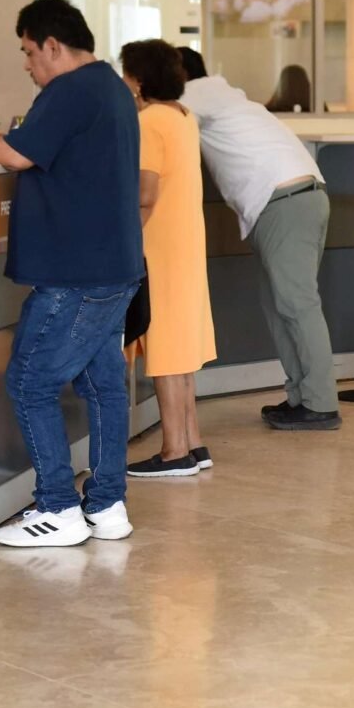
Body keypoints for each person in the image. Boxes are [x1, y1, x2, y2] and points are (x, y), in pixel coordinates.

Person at [0, 0, 143, 548]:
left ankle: (58, 508)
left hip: (75, 274)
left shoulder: (71, 89)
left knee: (29, 380)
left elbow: (18, 154)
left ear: (53, 45)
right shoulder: (110, 86)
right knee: (103, 385)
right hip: (113, 267)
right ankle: (107, 504)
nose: (26, 64)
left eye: (28, 51)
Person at [179, 47, 341, 431]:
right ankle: (302, 398)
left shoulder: (196, 93)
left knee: (297, 305)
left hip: (284, 202)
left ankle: (321, 404)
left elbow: (150, 124)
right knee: (279, 305)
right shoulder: (223, 95)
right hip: (292, 199)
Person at [117, 40, 218, 478]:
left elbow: (145, 194)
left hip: (159, 246)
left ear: (139, 80)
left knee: (165, 349)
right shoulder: (183, 116)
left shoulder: (150, 121)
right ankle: (193, 443)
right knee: (181, 348)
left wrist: (120, 241)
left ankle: (174, 450)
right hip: (185, 242)